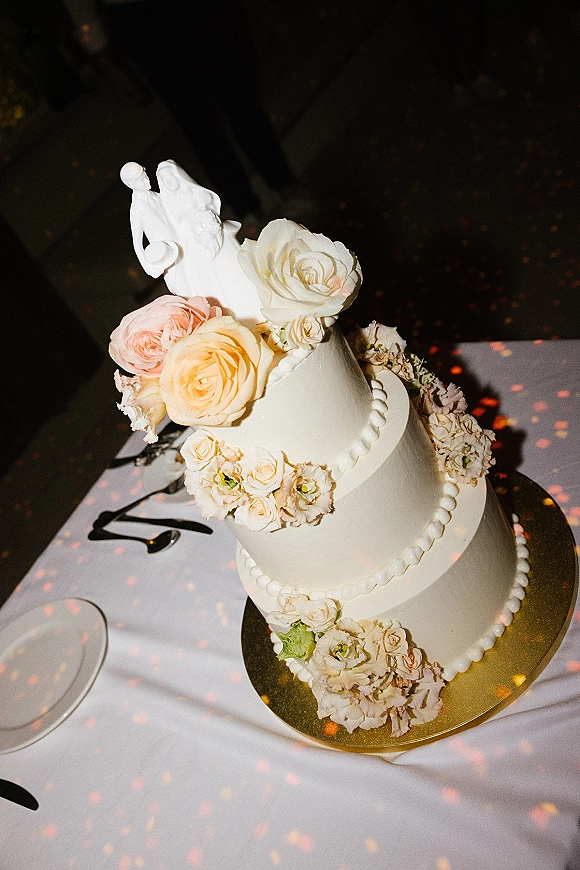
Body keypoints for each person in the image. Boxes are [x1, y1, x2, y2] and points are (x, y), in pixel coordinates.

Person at [62, 0, 298, 224]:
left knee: (239, 99)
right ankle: (246, 207)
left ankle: (286, 186)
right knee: (198, 123)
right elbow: (80, 9)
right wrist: (104, 60)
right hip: (140, 21)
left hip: (194, 10)